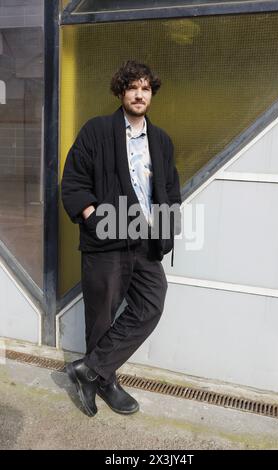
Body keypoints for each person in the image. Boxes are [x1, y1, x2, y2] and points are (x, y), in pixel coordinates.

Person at [61, 60, 181, 417]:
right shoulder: (96, 130)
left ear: (151, 94)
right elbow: (74, 181)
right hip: (108, 238)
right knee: (101, 316)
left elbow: (171, 189)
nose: (139, 94)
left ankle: (89, 370)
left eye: (145, 88)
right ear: (121, 92)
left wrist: (167, 227)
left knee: (150, 303)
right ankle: (106, 380)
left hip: (145, 240)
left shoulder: (160, 140)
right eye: (133, 87)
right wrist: (93, 217)